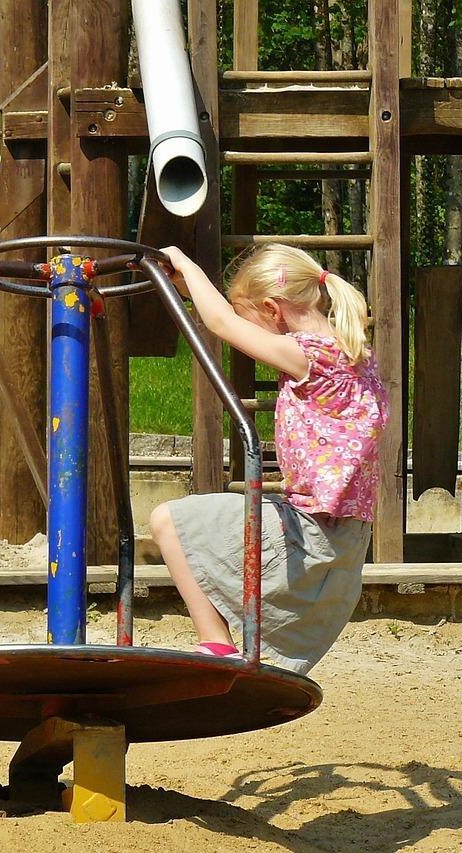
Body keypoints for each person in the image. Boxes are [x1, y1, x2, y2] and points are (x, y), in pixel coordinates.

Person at [150, 243, 388, 674]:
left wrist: (187, 262)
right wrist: (187, 286)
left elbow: (220, 322)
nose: (248, 330)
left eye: (250, 317)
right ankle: (229, 649)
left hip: (310, 531)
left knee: (168, 521)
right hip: (346, 535)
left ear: (272, 309)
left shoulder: (308, 357)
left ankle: (215, 644)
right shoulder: (352, 354)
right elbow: (223, 314)